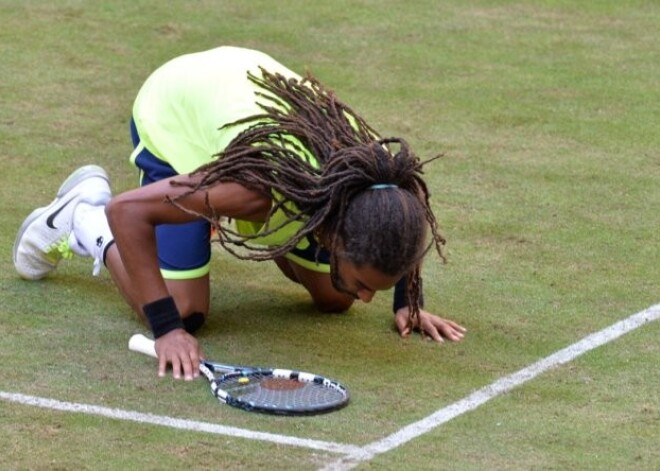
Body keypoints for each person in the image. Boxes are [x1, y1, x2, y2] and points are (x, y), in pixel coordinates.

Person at [13, 46, 466, 381]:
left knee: (335, 298)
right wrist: (167, 330)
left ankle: (203, 216)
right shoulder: (253, 191)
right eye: (371, 285)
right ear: (341, 237)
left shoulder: (371, 182)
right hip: (177, 109)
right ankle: (80, 219)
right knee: (186, 310)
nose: (369, 300)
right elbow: (128, 212)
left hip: (240, 92)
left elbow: (405, 208)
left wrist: (407, 301)